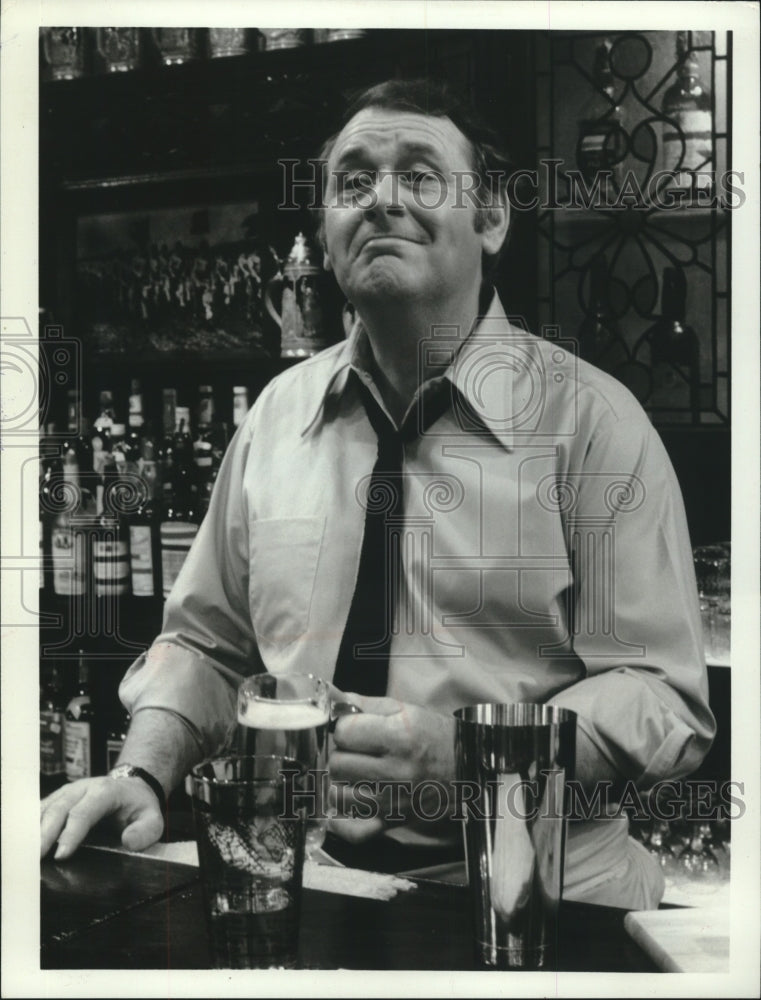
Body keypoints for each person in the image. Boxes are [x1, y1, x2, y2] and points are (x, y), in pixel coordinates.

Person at [41, 79, 715, 908]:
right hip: (302, 882)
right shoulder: (276, 418)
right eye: (352, 182)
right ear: (325, 238)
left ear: (491, 218)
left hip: (540, 897)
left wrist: (469, 754)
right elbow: (205, 647)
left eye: (421, 176)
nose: (382, 198)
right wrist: (142, 771)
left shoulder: (592, 424)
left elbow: (661, 695)